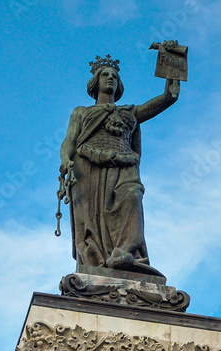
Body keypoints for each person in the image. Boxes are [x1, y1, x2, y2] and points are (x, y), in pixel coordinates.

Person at [59, 54, 180, 274]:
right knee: (94, 220)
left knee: (132, 195)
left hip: (124, 165)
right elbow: (69, 140)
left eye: (114, 75)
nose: (110, 78)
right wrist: (65, 160)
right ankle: (97, 260)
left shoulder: (129, 113)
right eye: (105, 74)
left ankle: (125, 252)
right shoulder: (81, 112)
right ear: (95, 82)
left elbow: (168, 97)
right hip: (89, 167)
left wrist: (172, 67)